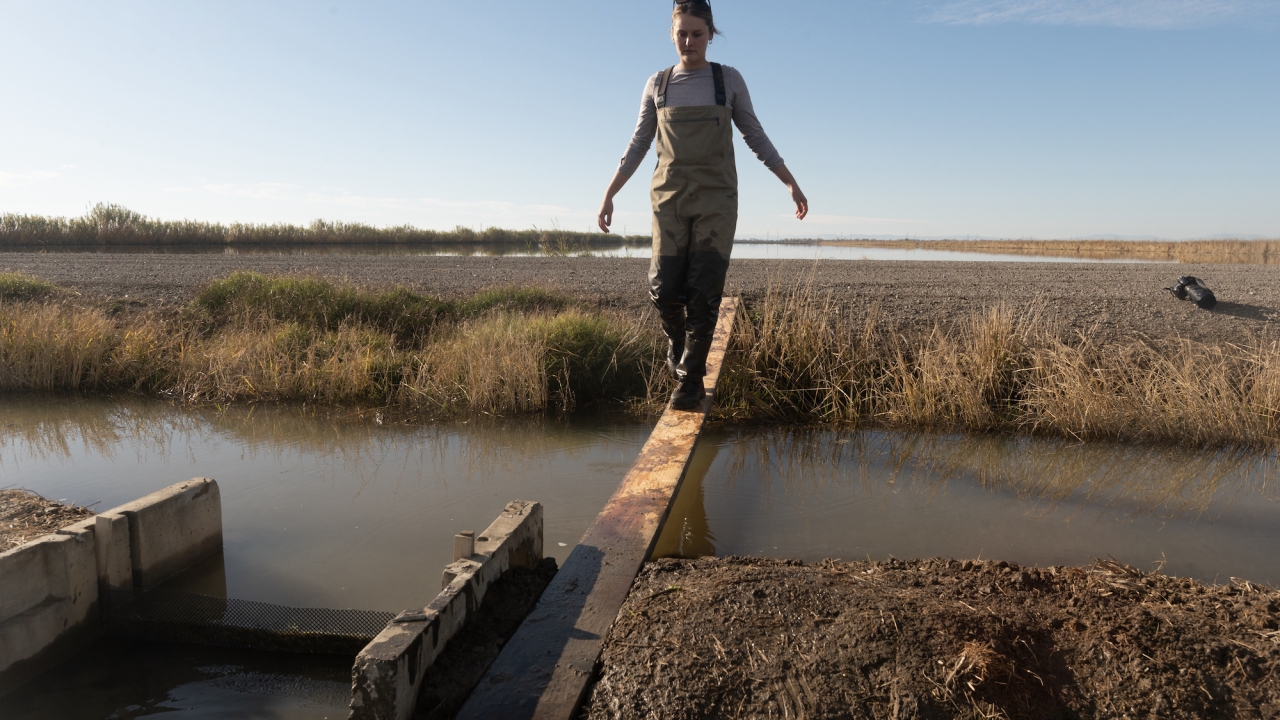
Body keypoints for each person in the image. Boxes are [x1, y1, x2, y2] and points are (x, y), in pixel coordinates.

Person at [597, 0, 808, 410]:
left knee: (703, 293)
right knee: (663, 290)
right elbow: (638, 143)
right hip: (669, 198)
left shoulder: (727, 80)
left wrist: (789, 182)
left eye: (697, 33)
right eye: (682, 34)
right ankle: (680, 346)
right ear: (671, 35)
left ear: (711, 34)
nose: (689, 41)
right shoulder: (656, 84)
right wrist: (610, 193)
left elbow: (754, 135)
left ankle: (689, 383)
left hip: (716, 200)